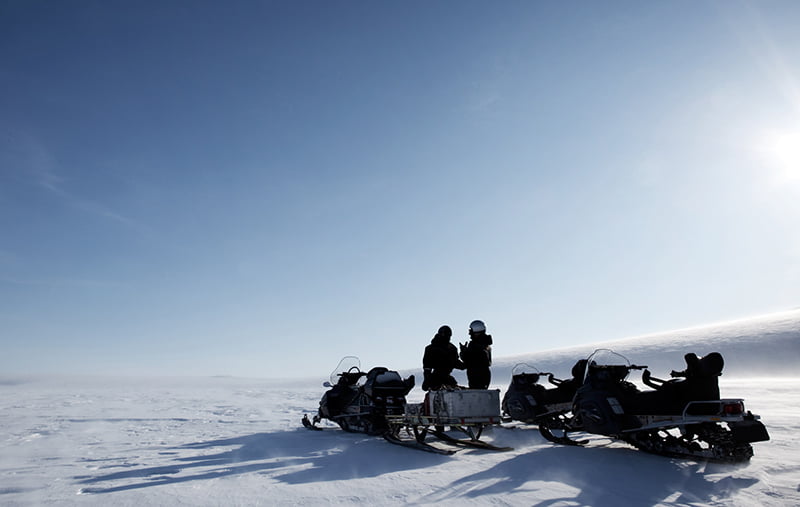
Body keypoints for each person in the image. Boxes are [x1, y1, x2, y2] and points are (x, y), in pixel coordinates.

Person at [422, 325, 464, 391]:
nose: (448, 337)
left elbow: (456, 363)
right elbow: (427, 368)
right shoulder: (431, 349)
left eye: (449, 336)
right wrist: (427, 381)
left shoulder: (452, 349)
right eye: (446, 335)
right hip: (436, 379)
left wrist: (466, 359)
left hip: (447, 379)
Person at [459, 320, 493, 389]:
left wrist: (463, 352)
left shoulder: (476, 345)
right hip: (484, 376)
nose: (469, 334)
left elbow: (468, 361)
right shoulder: (486, 345)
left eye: (471, 331)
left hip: (476, 376)